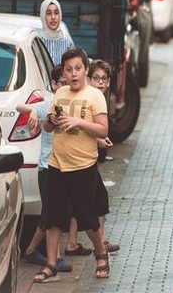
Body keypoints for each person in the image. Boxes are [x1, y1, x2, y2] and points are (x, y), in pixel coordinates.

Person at [33, 47, 110, 283]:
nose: (73, 73)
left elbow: (103, 129)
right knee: (53, 216)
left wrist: (79, 121)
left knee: (87, 215)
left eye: (78, 68)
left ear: (86, 70)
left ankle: (101, 253)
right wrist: (50, 120)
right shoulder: (60, 94)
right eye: (69, 70)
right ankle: (51, 264)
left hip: (83, 166)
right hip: (57, 164)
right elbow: (47, 128)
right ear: (63, 74)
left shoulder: (95, 96)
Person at [18, 66, 72, 272]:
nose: (65, 86)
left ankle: (32, 250)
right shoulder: (50, 104)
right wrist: (32, 110)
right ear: (54, 85)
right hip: (47, 167)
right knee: (51, 213)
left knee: (52, 212)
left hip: (64, 166)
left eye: (67, 83)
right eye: (61, 83)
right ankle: (52, 256)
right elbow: (19, 107)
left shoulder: (73, 104)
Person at [65, 59, 120, 256]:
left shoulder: (98, 98)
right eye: (96, 78)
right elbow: (81, 129)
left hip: (87, 159)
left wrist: (99, 142)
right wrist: (99, 140)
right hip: (80, 160)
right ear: (89, 78)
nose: (101, 83)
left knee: (81, 202)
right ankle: (99, 243)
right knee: (95, 202)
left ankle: (75, 242)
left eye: (104, 79)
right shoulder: (89, 99)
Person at [39, 0, 75, 66]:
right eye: (49, 13)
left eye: (56, 13)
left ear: (60, 15)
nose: (53, 17)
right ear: (43, 16)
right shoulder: (38, 42)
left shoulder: (68, 44)